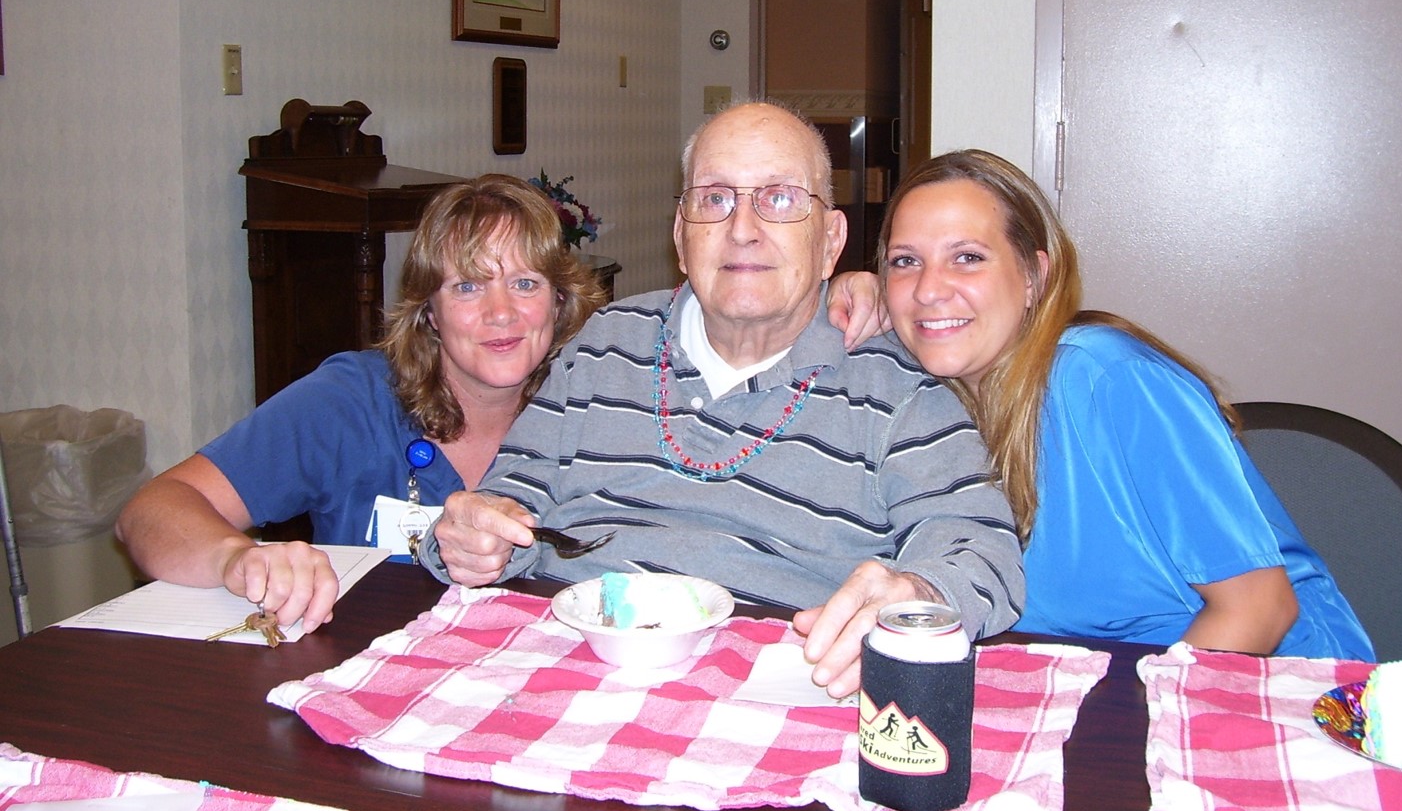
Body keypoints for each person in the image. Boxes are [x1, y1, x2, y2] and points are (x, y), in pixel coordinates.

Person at [419, 103, 1025, 697]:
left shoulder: (898, 384)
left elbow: (982, 554)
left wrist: (916, 593)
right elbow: (507, 500)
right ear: (681, 235)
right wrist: (475, 539)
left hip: (774, 690)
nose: (743, 229)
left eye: (780, 198)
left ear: (831, 240)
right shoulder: (605, 342)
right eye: (714, 198)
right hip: (563, 676)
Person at [863, 148, 1373, 659]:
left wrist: (1132, 725)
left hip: (1259, 690)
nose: (928, 290)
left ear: (1033, 278)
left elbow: (1259, 609)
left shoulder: (1108, 380)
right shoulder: (925, 401)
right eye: (905, 262)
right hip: (1079, 689)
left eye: (967, 257)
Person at [116, 174, 605, 635]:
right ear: (429, 313)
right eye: (467, 286)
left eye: (525, 284)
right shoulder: (350, 401)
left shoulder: (606, 410)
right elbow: (150, 511)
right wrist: (235, 558)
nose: (501, 313)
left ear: (559, 301)